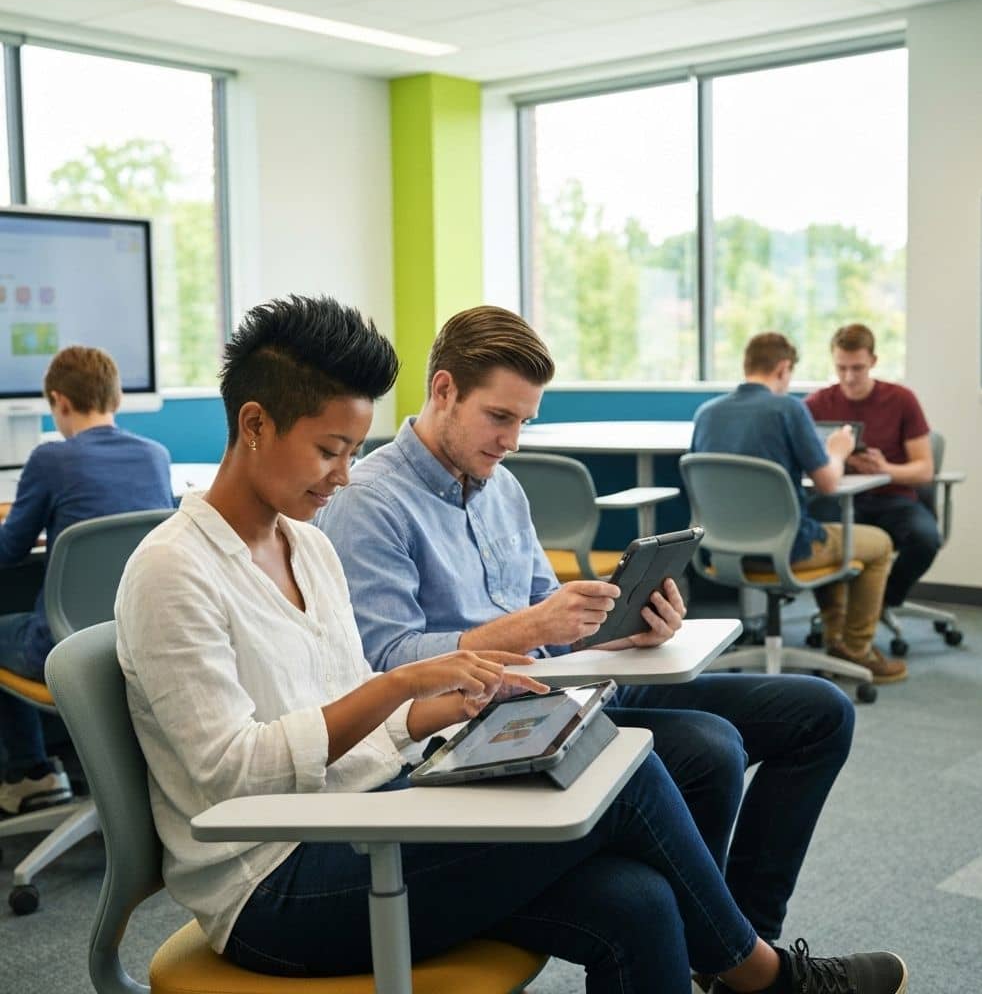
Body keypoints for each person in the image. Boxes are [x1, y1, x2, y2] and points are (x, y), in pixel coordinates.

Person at [115, 295, 907, 994]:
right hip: (271, 884)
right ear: (255, 424)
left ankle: (746, 967)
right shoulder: (174, 571)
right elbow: (231, 776)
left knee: (640, 902)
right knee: (627, 766)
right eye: (330, 451)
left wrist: (439, 708)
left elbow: (358, 717)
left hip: (370, 806)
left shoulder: (307, 544)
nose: (345, 476)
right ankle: (764, 977)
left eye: (353, 451)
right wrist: (404, 687)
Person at [321, 306, 860, 964]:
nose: (513, 440)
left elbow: (549, 619)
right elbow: (385, 664)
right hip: (481, 722)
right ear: (443, 391)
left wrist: (622, 626)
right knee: (711, 748)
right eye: (499, 417)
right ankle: (736, 956)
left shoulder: (501, 486)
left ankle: (739, 940)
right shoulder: (371, 500)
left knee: (820, 712)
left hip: (567, 684)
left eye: (525, 422)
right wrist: (534, 626)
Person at [0, 345, 173, 815]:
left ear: (59, 401)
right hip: (136, 641)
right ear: (116, 397)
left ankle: (31, 773)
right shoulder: (156, 456)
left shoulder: (51, 460)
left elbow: (10, 550)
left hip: (60, 648)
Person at [691, 332, 904, 684]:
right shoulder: (788, 409)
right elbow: (828, 484)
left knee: (829, 531)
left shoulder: (706, 414)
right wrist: (838, 451)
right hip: (788, 551)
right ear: (783, 368)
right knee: (878, 543)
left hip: (721, 552)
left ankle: (836, 639)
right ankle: (856, 649)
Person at [806, 323, 939, 612]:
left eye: (857, 368)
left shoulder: (901, 399)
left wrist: (885, 469)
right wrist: (840, 459)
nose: (849, 377)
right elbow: (805, 465)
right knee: (815, 531)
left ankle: (877, 605)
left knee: (926, 540)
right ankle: (834, 614)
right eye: (841, 368)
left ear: (873, 362)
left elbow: (924, 470)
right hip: (838, 499)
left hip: (892, 498)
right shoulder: (816, 404)